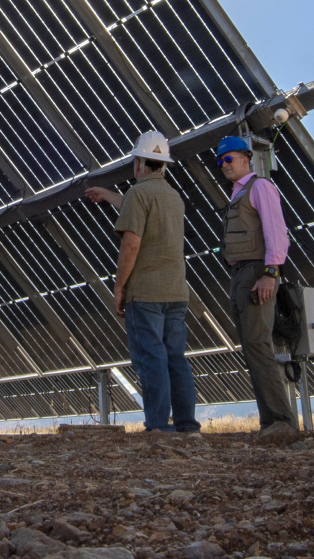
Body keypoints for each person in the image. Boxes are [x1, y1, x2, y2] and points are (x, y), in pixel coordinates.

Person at [86, 131, 200, 433]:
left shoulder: (139, 193)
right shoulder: (172, 196)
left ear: (138, 163)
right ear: (163, 164)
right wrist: (109, 196)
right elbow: (142, 207)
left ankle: (159, 428)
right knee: (176, 358)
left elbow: (131, 244)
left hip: (146, 294)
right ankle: (188, 426)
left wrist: (119, 286)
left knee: (152, 360)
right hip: (177, 292)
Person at [216, 135, 298, 438]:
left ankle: (282, 421)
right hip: (240, 275)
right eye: (220, 161)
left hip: (256, 272)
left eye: (229, 159)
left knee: (259, 346)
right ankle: (269, 423)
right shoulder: (236, 195)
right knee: (251, 348)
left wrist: (270, 273)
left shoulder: (259, 187)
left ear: (245, 159)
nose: (224, 165)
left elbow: (277, 233)